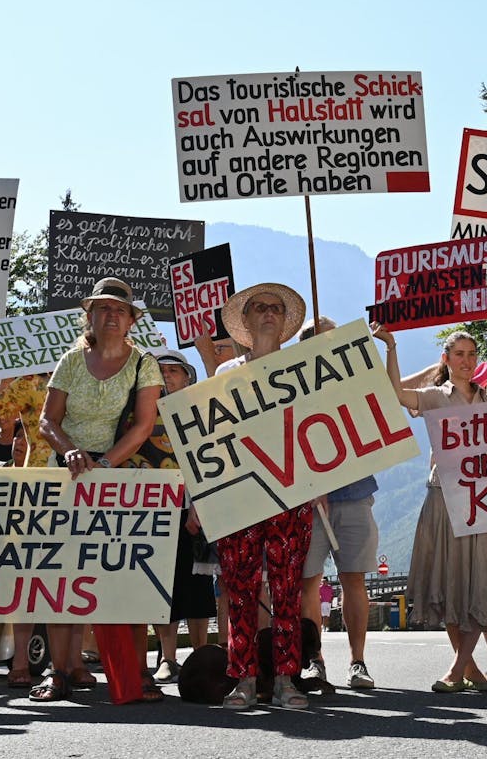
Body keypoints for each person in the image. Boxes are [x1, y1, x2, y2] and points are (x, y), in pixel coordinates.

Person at [32, 277, 164, 703]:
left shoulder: (145, 363)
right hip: (65, 474)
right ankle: (59, 670)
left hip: (117, 474)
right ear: (89, 316)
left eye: (119, 310)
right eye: (103, 309)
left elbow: (144, 426)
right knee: (60, 571)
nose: (110, 316)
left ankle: (134, 670)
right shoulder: (70, 360)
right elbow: (47, 421)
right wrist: (70, 452)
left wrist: (106, 464)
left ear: (131, 321)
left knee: (122, 572)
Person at [375, 325, 487, 694]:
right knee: (453, 586)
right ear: (446, 359)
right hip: (443, 498)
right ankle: (473, 671)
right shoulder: (436, 397)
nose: (466, 362)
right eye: (459, 354)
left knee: (477, 584)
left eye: (472, 355)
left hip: (484, 500)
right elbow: (394, 394)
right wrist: (391, 346)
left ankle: (456, 670)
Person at [209, 283, 315, 709]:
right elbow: (212, 439)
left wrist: (321, 482)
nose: (269, 313)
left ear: (283, 320)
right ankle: (245, 679)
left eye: (276, 308)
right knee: (240, 590)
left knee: (288, 588)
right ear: (246, 322)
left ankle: (288, 679)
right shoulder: (224, 374)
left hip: (292, 492)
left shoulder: (304, 368)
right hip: (239, 492)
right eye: (259, 308)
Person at [295, 315, 381, 691]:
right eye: (317, 338)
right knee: (307, 582)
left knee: (354, 580)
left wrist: (390, 348)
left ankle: (357, 661)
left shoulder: (356, 379)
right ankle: (315, 661)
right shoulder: (291, 386)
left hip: (355, 494)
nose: (326, 343)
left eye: (331, 338)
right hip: (307, 501)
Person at [146, 349, 217, 684]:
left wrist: (197, 503)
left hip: (194, 507)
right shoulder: (143, 413)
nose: (168, 376)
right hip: (156, 506)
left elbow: (209, 459)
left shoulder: (200, 410)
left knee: (198, 583)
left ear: (188, 377)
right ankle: (168, 657)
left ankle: (202, 654)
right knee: (163, 584)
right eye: (162, 371)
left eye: (174, 371)